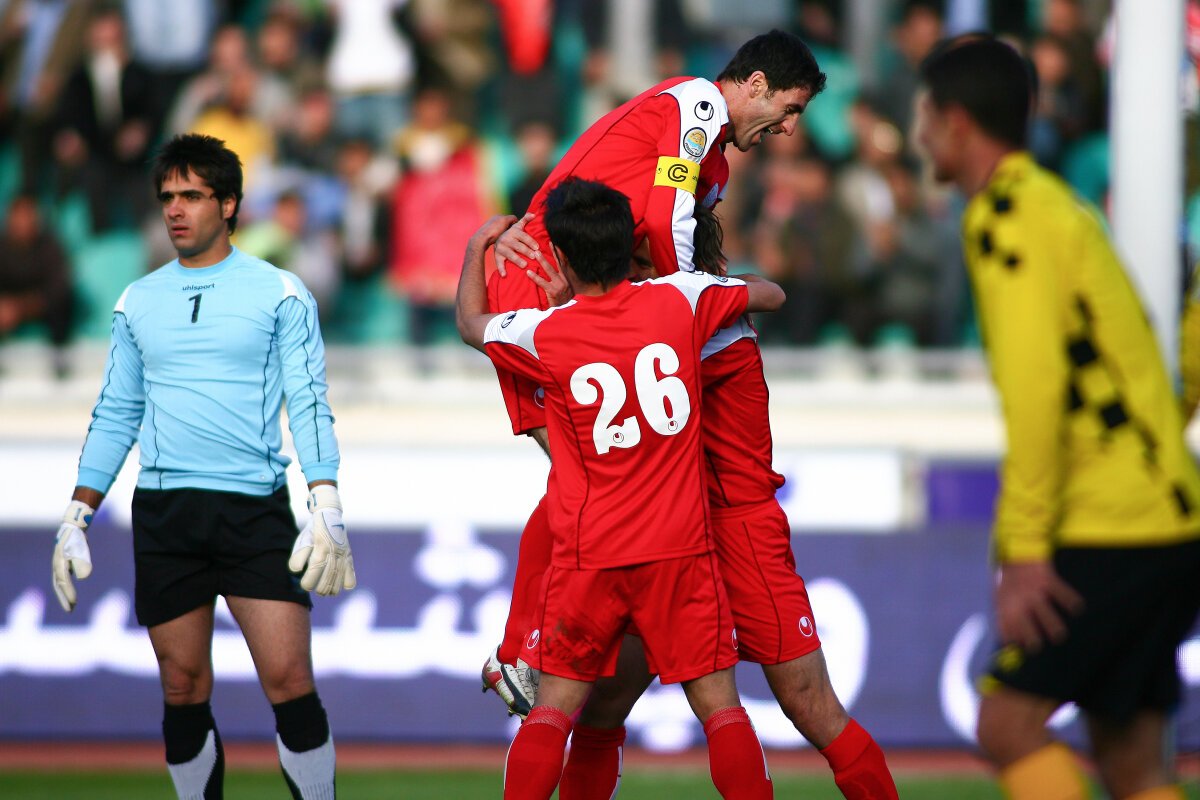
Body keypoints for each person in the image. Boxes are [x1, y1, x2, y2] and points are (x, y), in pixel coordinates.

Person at [481, 26, 826, 716]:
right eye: (789, 109)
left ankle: (538, 646)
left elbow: (670, 226)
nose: (789, 129)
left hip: (576, 292)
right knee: (583, 473)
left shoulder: (711, 160)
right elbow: (667, 222)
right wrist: (681, 315)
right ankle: (521, 650)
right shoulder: (696, 106)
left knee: (589, 473)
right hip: (542, 281)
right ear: (755, 85)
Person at [915, 36, 1200, 800]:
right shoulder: (1054, 205)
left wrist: (1026, 549)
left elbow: (1037, 391)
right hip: (1166, 518)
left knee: (1006, 724)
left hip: (1112, 525)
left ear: (956, 123)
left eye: (924, 116)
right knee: (1132, 762)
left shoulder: (1005, 220)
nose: (918, 135)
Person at [50, 133, 356, 800]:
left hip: (253, 509)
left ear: (229, 204)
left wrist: (325, 500)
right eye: (167, 197)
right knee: (181, 686)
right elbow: (116, 411)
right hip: (165, 513)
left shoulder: (280, 291)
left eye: (191, 195)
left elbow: (308, 400)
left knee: (289, 681)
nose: (175, 209)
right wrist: (78, 513)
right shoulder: (137, 299)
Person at [458, 177, 785, 800]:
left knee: (552, 713)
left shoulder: (544, 334)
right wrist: (703, 286)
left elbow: (472, 325)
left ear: (561, 256)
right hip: (680, 551)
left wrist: (479, 247)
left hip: (592, 555)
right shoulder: (680, 300)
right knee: (722, 712)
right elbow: (771, 293)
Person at [0, 192, 75, 379]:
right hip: (6, 313)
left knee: (61, 309)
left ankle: (60, 362)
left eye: (28, 215)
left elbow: (60, 289)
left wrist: (20, 308)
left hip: (43, 310)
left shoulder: (51, 246)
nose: (24, 222)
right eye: (19, 216)